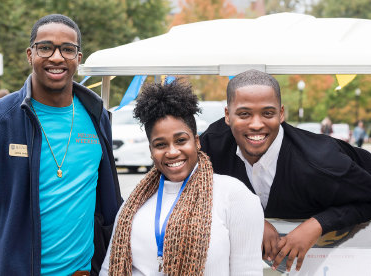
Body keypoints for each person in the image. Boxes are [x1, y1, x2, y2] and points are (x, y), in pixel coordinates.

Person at [0, 14, 122, 275]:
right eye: (45, 47)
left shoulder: (97, 116)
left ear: (78, 58)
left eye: (68, 49)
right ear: (30, 55)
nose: (57, 57)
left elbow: (109, 206)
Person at [199, 69, 371, 272]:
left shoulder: (321, 164)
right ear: (227, 115)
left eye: (268, 113)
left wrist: (316, 225)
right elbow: (189, 185)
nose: (256, 124)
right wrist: (254, 220)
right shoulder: (210, 147)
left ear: (281, 113)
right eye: (244, 114)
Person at [100, 80, 264, 275]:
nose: (172, 152)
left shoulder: (235, 196)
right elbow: (108, 270)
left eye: (181, 141)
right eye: (160, 144)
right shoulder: (133, 205)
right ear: (151, 150)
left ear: (196, 141)